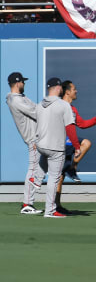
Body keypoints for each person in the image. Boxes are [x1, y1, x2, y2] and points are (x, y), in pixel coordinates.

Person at [53, 80, 96, 214]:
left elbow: (82, 124)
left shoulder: (73, 109)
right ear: (67, 92)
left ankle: (56, 205)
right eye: (74, 89)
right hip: (59, 143)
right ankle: (54, 205)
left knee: (61, 175)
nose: (76, 91)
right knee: (59, 176)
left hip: (68, 142)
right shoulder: (58, 106)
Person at [35, 77, 77, 218]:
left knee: (42, 165)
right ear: (59, 88)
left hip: (41, 145)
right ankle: (50, 210)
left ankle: (36, 178)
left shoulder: (40, 104)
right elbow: (70, 127)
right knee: (54, 178)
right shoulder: (63, 105)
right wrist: (76, 146)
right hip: (55, 147)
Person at [6, 72, 44, 214]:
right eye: (23, 82)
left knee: (38, 168)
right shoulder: (16, 100)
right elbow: (36, 112)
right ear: (17, 83)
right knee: (33, 169)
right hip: (33, 138)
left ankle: (31, 200)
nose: (24, 84)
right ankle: (27, 204)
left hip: (37, 137)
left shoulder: (19, 97)